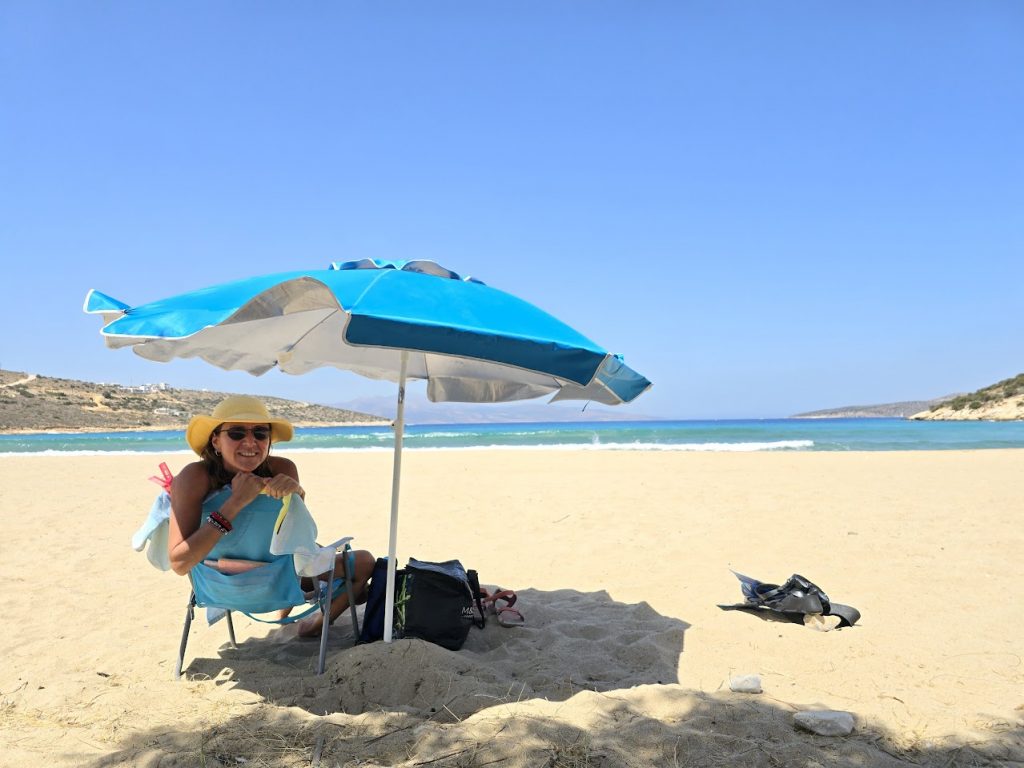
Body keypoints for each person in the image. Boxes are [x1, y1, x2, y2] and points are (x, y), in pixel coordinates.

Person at [169, 395, 374, 638]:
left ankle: (297, 618)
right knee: (364, 562)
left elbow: (291, 533)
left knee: (310, 550)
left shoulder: (282, 471)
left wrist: (297, 493)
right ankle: (316, 624)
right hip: (258, 584)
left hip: (238, 586)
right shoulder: (195, 478)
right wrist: (234, 503)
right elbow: (179, 564)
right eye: (236, 433)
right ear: (216, 440)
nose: (250, 442)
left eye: (260, 433)